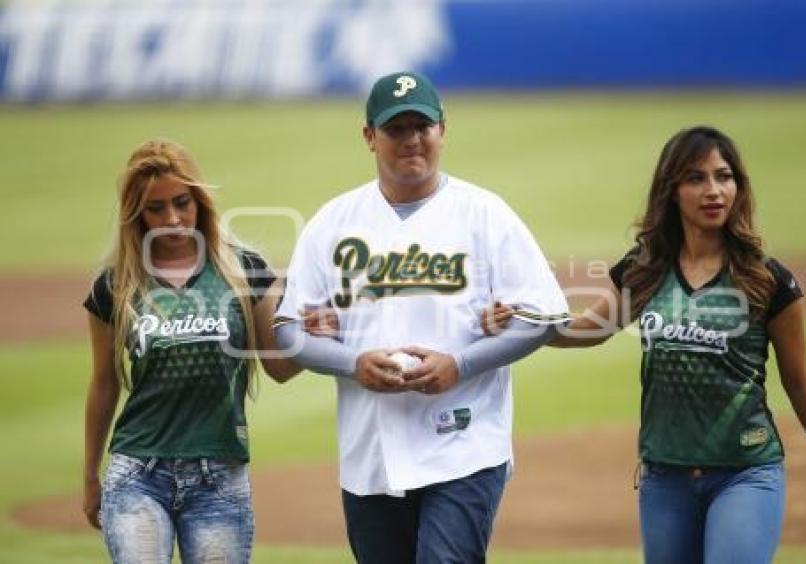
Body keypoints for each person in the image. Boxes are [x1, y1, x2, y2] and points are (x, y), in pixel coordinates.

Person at [483, 126, 806, 563]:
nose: (713, 191)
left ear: (738, 187)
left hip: (745, 471)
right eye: (696, 178)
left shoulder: (767, 280)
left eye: (723, 176)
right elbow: (585, 331)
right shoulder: (646, 270)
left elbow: (799, 382)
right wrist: (517, 322)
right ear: (671, 191)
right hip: (665, 477)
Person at [274, 71, 570, 563]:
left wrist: (462, 363)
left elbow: (542, 318)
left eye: (422, 126)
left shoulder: (485, 214)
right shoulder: (333, 222)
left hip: (466, 444)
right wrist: (351, 362)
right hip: (370, 452)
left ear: (442, 130)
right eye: (396, 129)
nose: (412, 139)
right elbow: (287, 331)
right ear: (369, 136)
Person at [82, 139, 333, 563]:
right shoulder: (114, 286)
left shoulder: (242, 269)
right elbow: (104, 384)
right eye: (155, 208)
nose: (173, 218)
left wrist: (314, 335)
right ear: (136, 214)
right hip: (137, 471)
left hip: (219, 477)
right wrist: (90, 476)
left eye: (182, 202)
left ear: (199, 199)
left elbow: (280, 368)